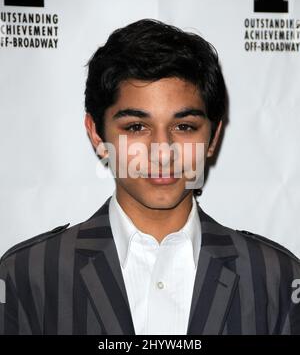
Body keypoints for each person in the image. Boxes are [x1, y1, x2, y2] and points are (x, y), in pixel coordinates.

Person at [0, 19, 299, 335]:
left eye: (184, 127)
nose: (162, 152)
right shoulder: (27, 276)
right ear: (97, 134)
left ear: (213, 137)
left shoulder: (275, 279)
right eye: (135, 127)